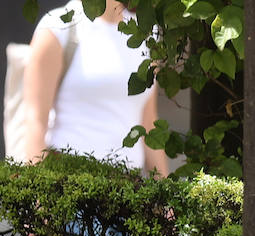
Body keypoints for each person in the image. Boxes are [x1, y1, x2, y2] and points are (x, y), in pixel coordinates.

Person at [17, 0, 167, 175]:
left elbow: (148, 122)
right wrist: (38, 194)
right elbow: (35, 120)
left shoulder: (148, 32)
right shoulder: (57, 26)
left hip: (129, 188)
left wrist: (166, 193)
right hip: (67, 182)